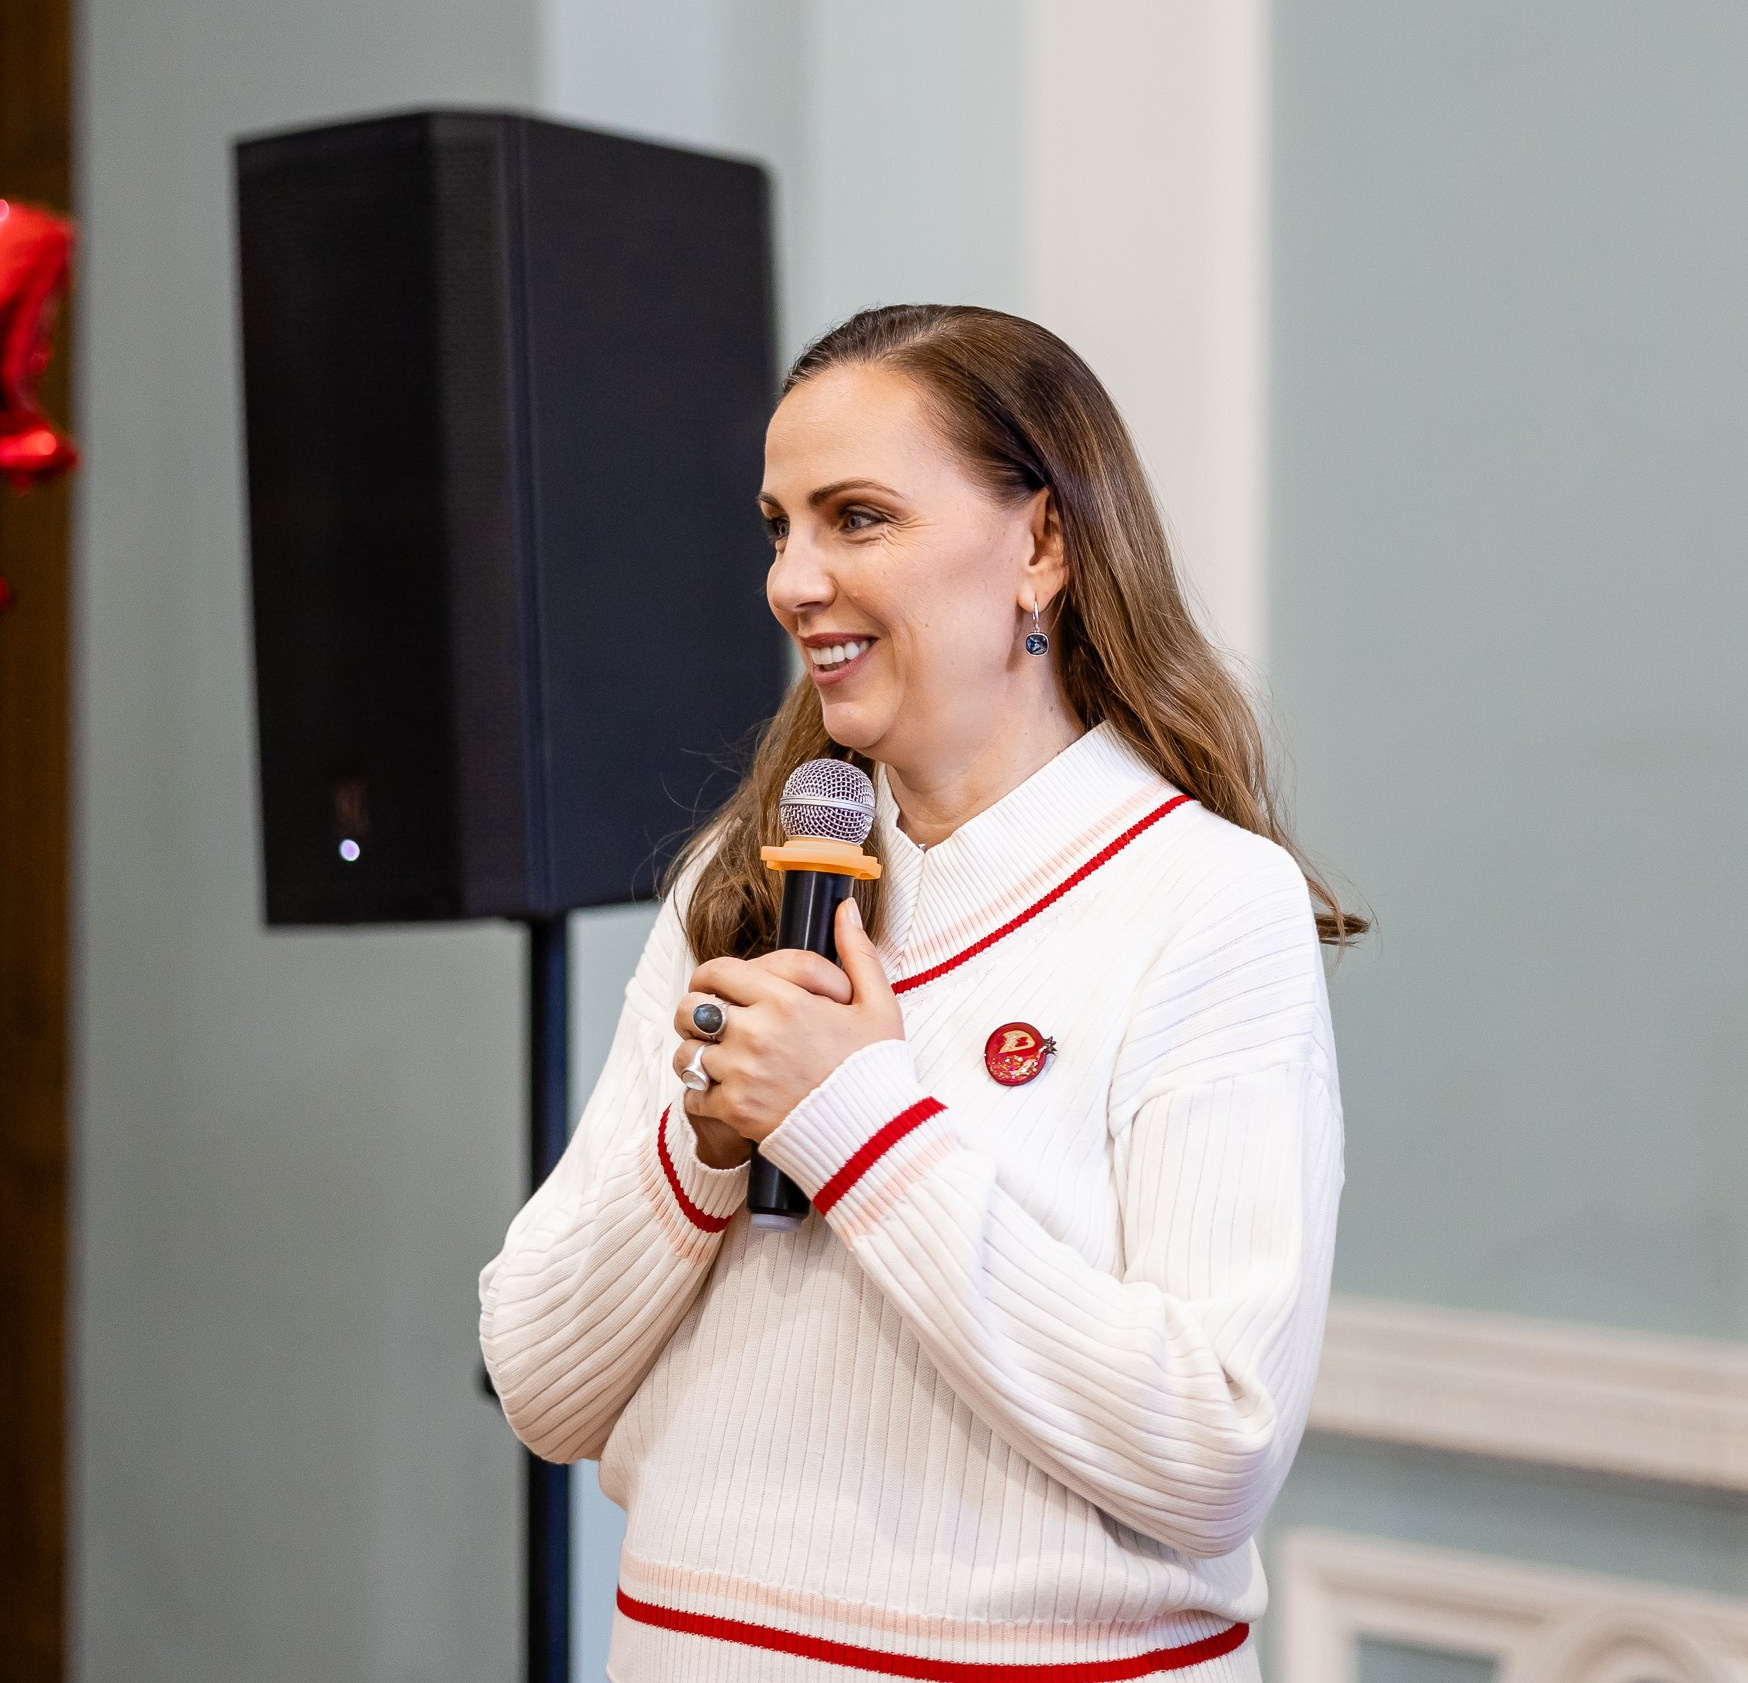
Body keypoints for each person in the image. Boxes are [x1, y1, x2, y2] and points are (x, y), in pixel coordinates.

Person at [479, 304, 1356, 1682]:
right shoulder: (742, 878)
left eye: (858, 517)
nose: (792, 580)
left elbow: (1214, 1452)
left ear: (1044, 547)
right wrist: (705, 1150)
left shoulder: (1205, 899)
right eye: (779, 527)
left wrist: (856, 1122)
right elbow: (539, 1384)